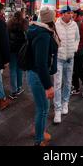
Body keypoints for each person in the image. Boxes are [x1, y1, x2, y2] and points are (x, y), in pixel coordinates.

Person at [27, 8, 58, 146]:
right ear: (51, 19)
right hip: (38, 76)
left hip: (34, 73)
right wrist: (48, 86)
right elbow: (41, 63)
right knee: (44, 108)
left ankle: (38, 130)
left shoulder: (36, 30)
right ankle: (39, 141)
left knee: (41, 106)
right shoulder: (43, 35)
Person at [53, 6, 80, 124]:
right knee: (57, 83)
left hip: (70, 58)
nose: (71, 15)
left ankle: (65, 103)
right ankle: (57, 109)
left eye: (72, 13)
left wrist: (74, 48)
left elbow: (77, 38)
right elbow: (53, 39)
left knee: (68, 82)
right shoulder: (56, 25)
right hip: (58, 58)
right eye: (69, 13)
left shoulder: (74, 25)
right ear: (62, 14)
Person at [7, 10, 29, 99]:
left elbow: (7, 37)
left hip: (11, 49)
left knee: (12, 69)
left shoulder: (9, 23)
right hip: (21, 50)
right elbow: (27, 36)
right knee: (19, 68)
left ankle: (13, 91)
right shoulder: (24, 23)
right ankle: (19, 87)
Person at [71, 10, 83, 98]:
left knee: (80, 70)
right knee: (74, 70)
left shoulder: (80, 24)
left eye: (73, 14)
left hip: (80, 52)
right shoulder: (72, 23)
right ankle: (76, 87)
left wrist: (77, 48)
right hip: (73, 52)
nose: (72, 15)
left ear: (77, 15)